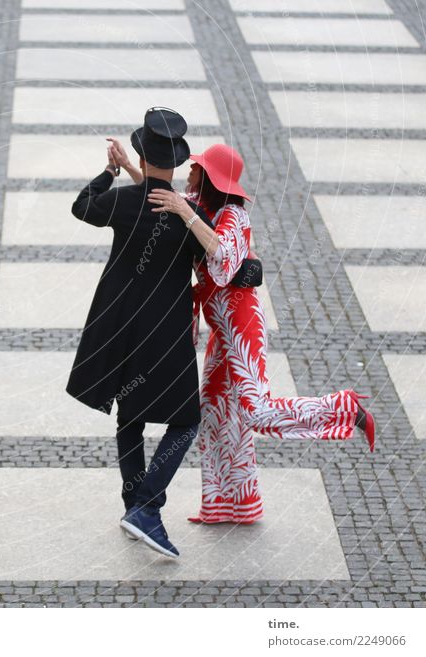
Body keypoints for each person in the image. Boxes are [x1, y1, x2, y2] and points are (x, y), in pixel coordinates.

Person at [145, 143, 375, 524]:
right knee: (216, 414)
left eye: (197, 168)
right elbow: (162, 198)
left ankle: (344, 409)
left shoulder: (233, 215)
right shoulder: (198, 205)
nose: (190, 171)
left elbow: (224, 256)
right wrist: (134, 172)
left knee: (256, 412)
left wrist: (186, 212)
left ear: (210, 178)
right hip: (221, 330)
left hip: (243, 326)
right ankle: (230, 505)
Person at [66, 108, 211, 558]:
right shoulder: (191, 213)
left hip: (123, 330)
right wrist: (176, 203)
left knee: (130, 419)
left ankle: (136, 506)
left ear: (142, 157)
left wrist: (111, 172)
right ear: (179, 163)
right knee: (185, 420)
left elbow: (83, 207)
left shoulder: (126, 202)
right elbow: (220, 255)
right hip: (166, 332)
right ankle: (146, 506)